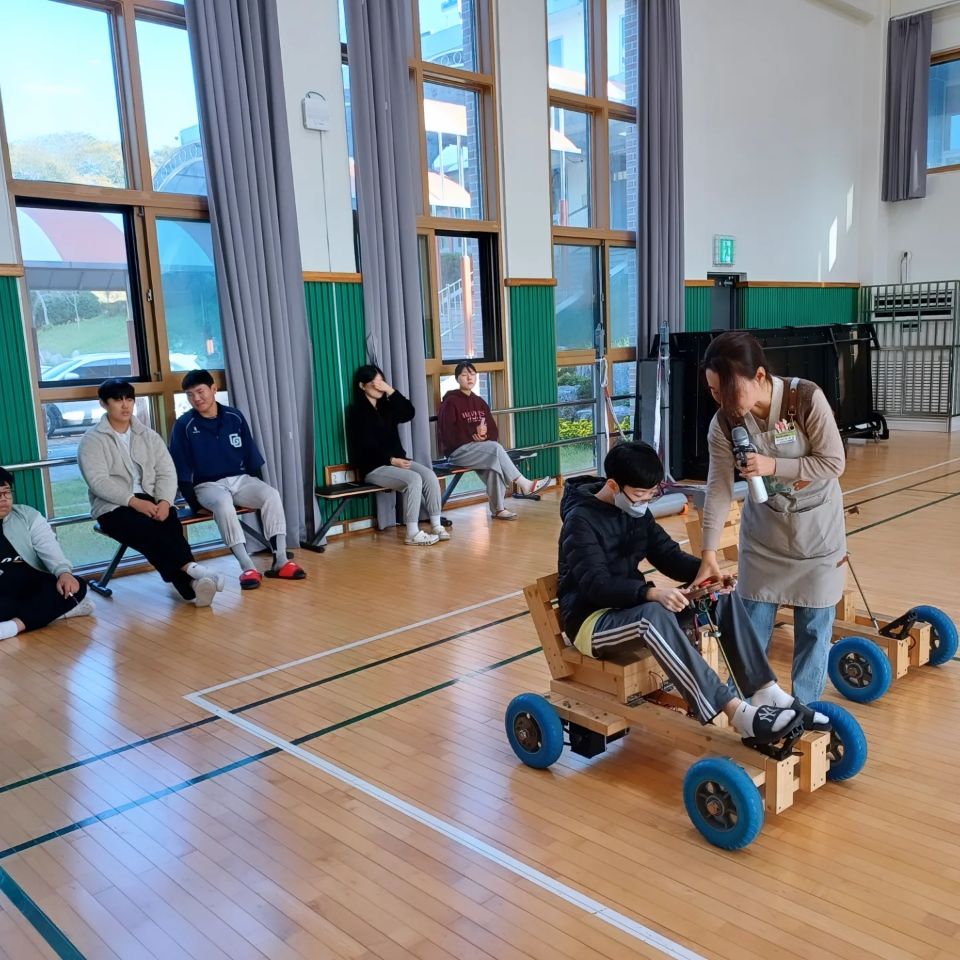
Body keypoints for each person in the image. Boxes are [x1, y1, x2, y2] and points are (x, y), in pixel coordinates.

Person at [558, 441, 830, 743]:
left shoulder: (636, 511)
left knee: (718, 595)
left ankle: (765, 690)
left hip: (630, 608)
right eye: (640, 494)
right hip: (591, 622)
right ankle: (736, 713)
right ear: (613, 486)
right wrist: (649, 593)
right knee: (652, 615)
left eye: (652, 494)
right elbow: (597, 585)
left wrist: (706, 574)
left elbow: (667, 555)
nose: (645, 501)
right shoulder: (580, 521)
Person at [695, 331, 847, 704]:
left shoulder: (805, 398)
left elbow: (833, 463)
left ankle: (804, 712)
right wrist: (708, 553)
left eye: (728, 390)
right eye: (714, 392)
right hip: (765, 538)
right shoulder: (724, 424)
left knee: (814, 631)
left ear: (759, 376)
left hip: (817, 534)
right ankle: (745, 713)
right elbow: (718, 488)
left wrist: (773, 465)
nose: (722, 401)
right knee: (751, 630)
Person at [77, 379, 225, 607]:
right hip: (112, 507)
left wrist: (165, 501)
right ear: (103, 404)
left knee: (170, 524)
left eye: (129, 399)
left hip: (152, 499)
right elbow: (98, 482)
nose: (125, 405)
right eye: (118, 400)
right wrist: (133, 502)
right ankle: (193, 570)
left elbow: (166, 472)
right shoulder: (92, 440)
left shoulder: (148, 435)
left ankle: (194, 585)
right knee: (147, 530)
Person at [169, 369, 306, 589]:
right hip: (207, 486)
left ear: (214, 389)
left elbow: (251, 456)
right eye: (190, 395)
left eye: (200, 391)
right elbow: (181, 469)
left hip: (240, 479)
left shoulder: (234, 416)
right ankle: (247, 567)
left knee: (271, 494)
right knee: (223, 502)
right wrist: (194, 505)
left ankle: (280, 560)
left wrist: (258, 484)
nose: (196, 398)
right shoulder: (183, 425)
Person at [345, 364, 446, 546]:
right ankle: (412, 533)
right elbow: (365, 446)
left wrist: (390, 390)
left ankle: (437, 525)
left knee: (429, 476)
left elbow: (409, 412)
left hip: (398, 461)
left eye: (381, 382)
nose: (379, 386)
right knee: (414, 480)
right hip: (375, 467)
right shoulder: (356, 412)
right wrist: (391, 460)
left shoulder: (386, 407)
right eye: (374, 382)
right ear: (362, 386)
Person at [436, 361, 550, 520]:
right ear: (457, 379)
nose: (469, 378)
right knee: (495, 449)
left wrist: (484, 437)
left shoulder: (480, 402)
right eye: (464, 375)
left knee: (494, 462)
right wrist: (472, 437)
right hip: (458, 453)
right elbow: (447, 433)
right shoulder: (450, 402)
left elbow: (493, 431)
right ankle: (524, 484)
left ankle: (498, 509)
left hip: (480, 450)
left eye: (472, 374)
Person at [0, 466, 94, 639]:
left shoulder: (27, 515)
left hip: (30, 585)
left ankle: (12, 627)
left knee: (76, 585)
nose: (4, 499)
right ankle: (53, 612)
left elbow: (49, 548)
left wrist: (64, 573)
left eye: (7, 492)